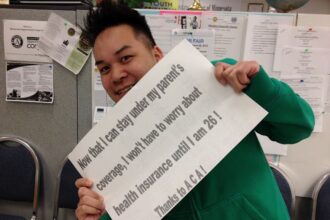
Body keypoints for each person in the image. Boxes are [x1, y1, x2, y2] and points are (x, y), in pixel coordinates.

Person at [75, 1, 315, 220]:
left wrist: (258, 87)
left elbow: (299, 127)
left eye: (126, 58)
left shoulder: (218, 81)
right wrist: (97, 215)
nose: (116, 75)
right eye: (104, 69)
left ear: (157, 55)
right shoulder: (112, 149)